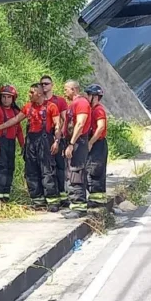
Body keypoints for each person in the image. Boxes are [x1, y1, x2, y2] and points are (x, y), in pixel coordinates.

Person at [0, 84, 62, 211]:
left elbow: (58, 125)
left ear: (39, 94)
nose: (29, 94)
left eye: (31, 92)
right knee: (31, 172)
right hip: (31, 143)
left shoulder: (51, 107)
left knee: (47, 171)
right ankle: (38, 201)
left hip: (45, 143)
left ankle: (53, 201)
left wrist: (56, 141)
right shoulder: (28, 107)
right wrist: (0, 127)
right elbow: (15, 120)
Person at [0, 85, 25, 201]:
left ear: (13, 99)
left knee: (10, 168)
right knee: (1, 169)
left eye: (9, 97)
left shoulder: (15, 112)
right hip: (0, 143)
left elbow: (18, 131)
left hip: (11, 143)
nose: (6, 99)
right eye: (3, 97)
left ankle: (5, 197)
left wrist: (23, 145)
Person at [62, 80, 91, 219]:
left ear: (74, 89)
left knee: (76, 173)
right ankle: (74, 205)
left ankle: (79, 208)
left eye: (66, 89)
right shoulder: (73, 104)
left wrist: (72, 143)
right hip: (73, 141)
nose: (64, 92)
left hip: (78, 142)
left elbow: (80, 124)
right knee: (71, 174)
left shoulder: (81, 103)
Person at [40, 75, 69, 207]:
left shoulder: (60, 101)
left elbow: (65, 119)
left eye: (46, 83)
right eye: (42, 84)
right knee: (46, 168)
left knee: (60, 167)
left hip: (57, 137)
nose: (44, 86)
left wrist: (59, 137)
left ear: (52, 85)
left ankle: (63, 195)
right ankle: (51, 196)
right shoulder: (39, 101)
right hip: (43, 139)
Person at [85, 84, 108, 208]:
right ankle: (94, 197)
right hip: (94, 142)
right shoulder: (91, 109)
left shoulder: (99, 110)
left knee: (95, 169)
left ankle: (97, 200)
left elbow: (100, 128)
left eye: (88, 94)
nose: (86, 97)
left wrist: (90, 142)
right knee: (90, 169)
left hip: (98, 143)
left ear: (95, 97)